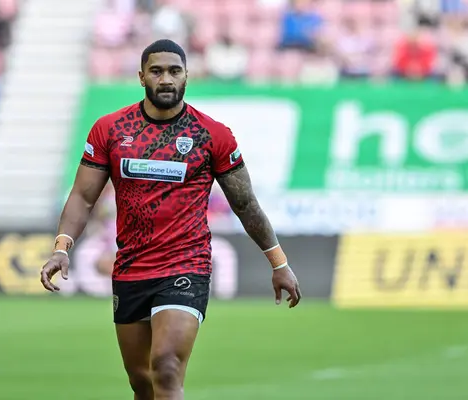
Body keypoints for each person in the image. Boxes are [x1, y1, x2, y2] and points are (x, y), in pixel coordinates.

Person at [40, 39, 302, 400]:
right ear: (141, 76)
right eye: (157, 71)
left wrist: (279, 263)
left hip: (186, 264)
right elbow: (83, 197)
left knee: (165, 366)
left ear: (186, 76)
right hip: (131, 267)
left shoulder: (212, 135)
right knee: (141, 382)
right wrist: (62, 248)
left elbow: (246, 204)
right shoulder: (111, 130)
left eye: (174, 71)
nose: (166, 79)